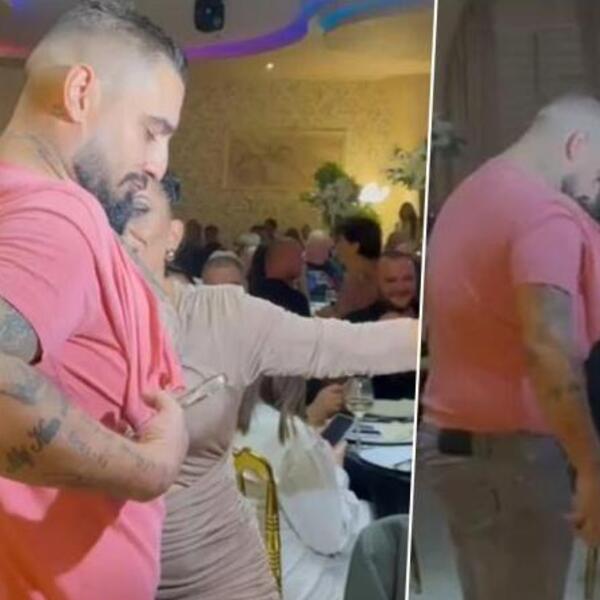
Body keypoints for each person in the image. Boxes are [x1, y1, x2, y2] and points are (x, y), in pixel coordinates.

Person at [122, 175, 420, 600]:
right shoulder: (77, 323)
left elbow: (340, 344)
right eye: (108, 212)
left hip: (224, 575)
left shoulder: (221, 314)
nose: (121, 228)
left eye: (137, 211)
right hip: (119, 574)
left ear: (173, 235)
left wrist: (452, 330)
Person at [0, 2, 189, 598]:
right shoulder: (61, 216)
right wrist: (152, 469)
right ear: (81, 92)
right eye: (152, 131)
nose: (157, 164)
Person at [419, 94, 600, 600]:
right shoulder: (543, 212)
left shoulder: (470, 194)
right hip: (511, 458)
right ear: (577, 144)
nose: (593, 190)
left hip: (462, 448)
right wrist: (591, 468)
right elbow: (549, 348)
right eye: (599, 172)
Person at [235, 377, 371, 600]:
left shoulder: (217, 421)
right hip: (297, 586)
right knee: (389, 534)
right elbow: (334, 539)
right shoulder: (287, 433)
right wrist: (336, 472)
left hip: (238, 576)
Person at [348, 251, 420, 399]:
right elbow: (343, 384)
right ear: (377, 283)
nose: (400, 287)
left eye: (408, 279)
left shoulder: (432, 319)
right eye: (391, 281)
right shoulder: (355, 323)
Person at [324, 215, 382, 318]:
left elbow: (341, 316)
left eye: (338, 240)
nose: (334, 246)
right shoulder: (352, 275)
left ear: (355, 246)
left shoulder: (364, 277)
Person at [250, 236, 311, 317]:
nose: (303, 261)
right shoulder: (295, 301)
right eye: (299, 256)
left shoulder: (251, 296)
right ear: (285, 260)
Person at [305, 229, 342, 304]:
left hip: (326, 305)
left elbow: (338, 291)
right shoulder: (297, 265)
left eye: (328, 250)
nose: (327, 255)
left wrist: (331, 302)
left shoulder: (333, 268)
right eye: (323, 249)